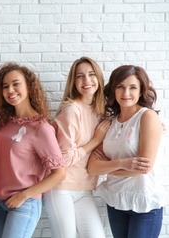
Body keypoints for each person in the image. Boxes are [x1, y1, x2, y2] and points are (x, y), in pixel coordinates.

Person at [88, 65, 169, 238]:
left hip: (144, 203)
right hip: (116, 200)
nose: (126, 93)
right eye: (120, 87)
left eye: (132, 87)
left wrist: (107, 166)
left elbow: (143, 168)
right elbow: (92, 168)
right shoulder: (109, 122)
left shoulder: (147, 117)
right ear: (113, 90)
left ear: (141, 91)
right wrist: (123, 163)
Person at [0, 62, 66, 238]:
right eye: (5, 86)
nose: (10, 90)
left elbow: (59, 173)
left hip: (24, 203)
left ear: (29, 88)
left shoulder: (41, 128)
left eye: (16, 84)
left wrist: (24, 195)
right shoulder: (4, 123)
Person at [43, 57, 111, 238]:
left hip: (84, 188)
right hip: (61, 187)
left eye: (91, 74)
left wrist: (152, 120)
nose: (87, 81)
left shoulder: (103, 112)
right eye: (80, 76)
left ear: (98, 77)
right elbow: (62, 159)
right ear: (74, 82)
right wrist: (95, 141)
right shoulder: (72, 110)